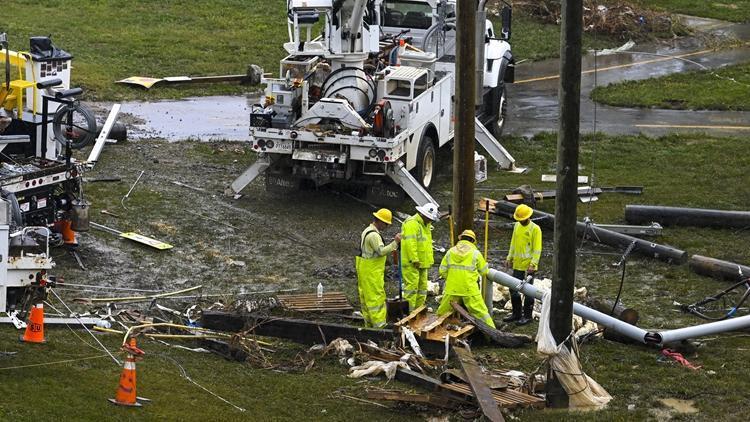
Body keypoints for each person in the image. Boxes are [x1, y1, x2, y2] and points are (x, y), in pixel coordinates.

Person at [437, 230, 495, 328]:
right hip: (469, 289)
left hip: (452, 289)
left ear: (461, 239)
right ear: (472, 241)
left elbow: (442, 271)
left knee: (442, 313)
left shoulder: (450, 251)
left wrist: (452, 278)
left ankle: (437, 330)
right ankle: (492, 334)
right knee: (481, 313)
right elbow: (484, 271)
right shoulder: (475, 253)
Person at [355, 208, 401, 329]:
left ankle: (369, 324)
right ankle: (380, 326)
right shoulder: (374, 235)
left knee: (366, 298)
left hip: (365, 269)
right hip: (372, 271)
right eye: (386, 224)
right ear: (380, 221)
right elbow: (381, 251)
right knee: (376, 298)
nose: (386, 227)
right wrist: (395, 242)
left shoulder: (367, 231)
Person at [503, 204, 542, 325]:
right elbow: (513, 243)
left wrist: (533, 264)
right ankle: (517, 313)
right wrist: (509, 257)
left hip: (528, 267)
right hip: (517, 265)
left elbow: (537, 248)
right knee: (513, 288)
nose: (520, 221)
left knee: (528, 291)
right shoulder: (516, 226)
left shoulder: (535, 229)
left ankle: (528, 316)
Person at [400, 203, 440, 311]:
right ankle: (407, 313)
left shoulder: (425, 225)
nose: (430, 221)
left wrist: (428, 260)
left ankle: (418, 311)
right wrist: (414, 259)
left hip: (422, 263)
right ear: (423, 215)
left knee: (422, 289)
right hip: (411, 263)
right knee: (411, 289)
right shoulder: (412, 223)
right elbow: (410, 243)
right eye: (429, 218)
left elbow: (426, 244)